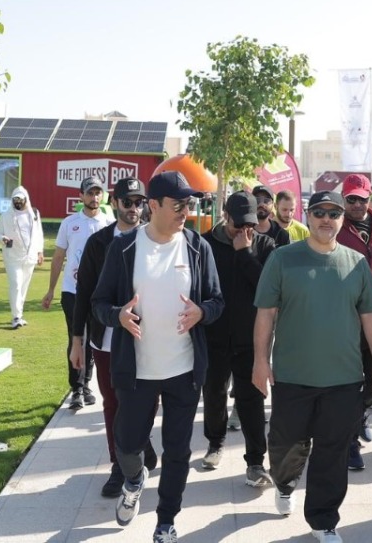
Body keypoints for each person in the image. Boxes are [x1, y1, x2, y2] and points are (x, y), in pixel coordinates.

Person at [91, 171, 224, 542]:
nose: (186, 210)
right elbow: (99, 303)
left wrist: (203, 312)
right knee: (127, 444)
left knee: (178, 451)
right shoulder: (124, 248)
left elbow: (216, 301)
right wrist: (117, 315)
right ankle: (134, 480)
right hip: (137, 372)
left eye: (190, 204)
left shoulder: (198, 247)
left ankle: (166, 521)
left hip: (184, 370)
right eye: (178, 204)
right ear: (153, 206)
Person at [253, 190, 372, 543]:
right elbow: (266, 312)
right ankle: (284, 482)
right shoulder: (283, 258)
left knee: (333, 449)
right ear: (308, 216)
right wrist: (259, 361)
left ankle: (323, 519)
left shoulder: (356, 262)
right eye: (319, 212)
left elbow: (370, 314)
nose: (326, 219)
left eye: (334, 213)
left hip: (343, 378)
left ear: (342, 219)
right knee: (285, 444)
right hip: (293, 375)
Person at [72, 177, 158, 498]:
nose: (134, 208)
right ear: (115, 201)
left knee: (146, 401)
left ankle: (139, 442)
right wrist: (77, 340)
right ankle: (119, 464)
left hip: (145, 339)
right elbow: (84, 295)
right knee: (113, 403)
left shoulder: (154, 240)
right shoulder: (98, 243)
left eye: (139, 202)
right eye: (127, 202)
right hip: (105, 339)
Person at [200, 191, 278, 485]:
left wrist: (244, 253)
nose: (245, 230)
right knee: (214, 394)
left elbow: (267, 288)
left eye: (252, 223)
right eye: (239, 224)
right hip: (214, 336)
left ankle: (256, 462)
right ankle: (215, 442)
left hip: (251, 340)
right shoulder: (206, 243)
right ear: (226, 216)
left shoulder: (265, 244)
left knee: (252, 400)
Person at [335, 173, 372, 462]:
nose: (358, 204)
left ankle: (358, 417)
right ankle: (348, 442)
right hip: (347, 316)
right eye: (352, 199)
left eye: (363, 198)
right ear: (344, 199)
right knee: (350, 379)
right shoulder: (334, 226)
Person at [45, 177, 110, 410]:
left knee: (94, 340)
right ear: (81, 196)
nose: (94, 198)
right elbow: (58, 258)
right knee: (76, 338)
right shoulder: (69, 223)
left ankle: (87, 385)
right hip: (72, 292)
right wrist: (51, 289)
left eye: (98, 193)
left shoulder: (109, 223)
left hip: (100, 294)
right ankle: (76, 389)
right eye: (90, 193)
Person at [0, 186, 45, 330]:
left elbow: (39, 233)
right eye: (15, 200)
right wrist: (2, 238)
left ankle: (19, 313)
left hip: (30, 256)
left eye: (20, 200)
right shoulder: (5, 216)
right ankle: (16, 316)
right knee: (15, 284)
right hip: (12, 257)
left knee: (23, 286)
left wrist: (40, 252)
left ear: (25, 199)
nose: (17, 202)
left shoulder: (34, 214)